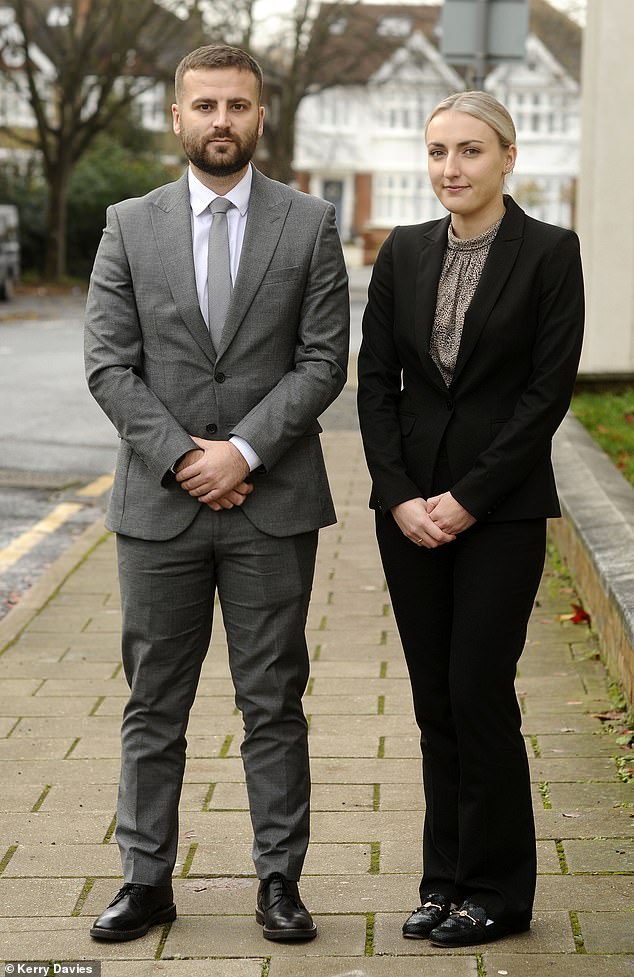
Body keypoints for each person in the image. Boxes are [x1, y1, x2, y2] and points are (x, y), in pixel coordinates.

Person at [85, 44, 349, 944]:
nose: (222, 120)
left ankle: (280, 881)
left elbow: (323, 360)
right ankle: (144, 880)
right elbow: (109, 364)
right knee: (154, 700)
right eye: (205, 105)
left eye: (238, 104)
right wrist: (183, 457)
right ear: (176, 115)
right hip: (157, 509)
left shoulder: (309, 223)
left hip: (272, 505)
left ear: (261, 115)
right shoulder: (128, 223)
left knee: (271, 698)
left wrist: (241, 451)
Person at [357, 91, 584, 948]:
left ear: (508, 157)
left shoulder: (550, 255)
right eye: (437, 152)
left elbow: (544, 395)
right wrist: (399, 493)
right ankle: (442, 879)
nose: (450, 169)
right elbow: (374, 382)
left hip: (502, 510)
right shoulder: (404, 252)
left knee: (477, 691)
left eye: (470, 151)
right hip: (409, 510)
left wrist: (468, 498)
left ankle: (497, 890)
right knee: (431, 701)